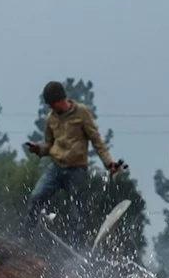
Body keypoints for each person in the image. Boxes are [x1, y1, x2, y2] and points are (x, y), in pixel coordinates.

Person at [25, 79, 124, 221]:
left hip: (77, 170)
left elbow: (96, 141)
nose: (50, 107)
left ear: (60, 100)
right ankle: (25, 235)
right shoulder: (51, 118)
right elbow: (49, 145)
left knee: (76, 211)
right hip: (56, 168)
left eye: (52, 104)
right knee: (36, 196)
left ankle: (75, 242)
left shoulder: (81, 112)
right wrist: (38, 149)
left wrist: (109, 163)